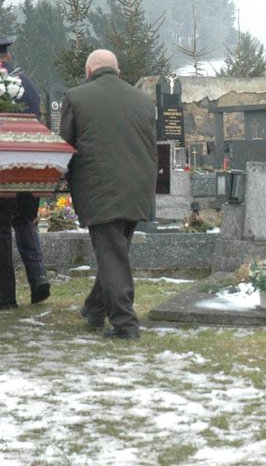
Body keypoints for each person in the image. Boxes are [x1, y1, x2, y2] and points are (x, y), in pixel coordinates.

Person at [59, 50, 156, 339]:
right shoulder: (142, 99)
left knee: (113, 255)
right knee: (115, 252)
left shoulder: (76, 97)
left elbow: (66, 146)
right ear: (117, 70)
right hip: (139, 188)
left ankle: (125, 324)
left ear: (89, 71)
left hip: (101, 188)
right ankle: (94, 308)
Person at [0, 38, 48, 310]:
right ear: (9, 54)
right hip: (29, 162)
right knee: (25, 220)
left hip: (4, 165)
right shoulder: (26, 83)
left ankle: (5, 296)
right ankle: (38, 276)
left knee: (2, 229)